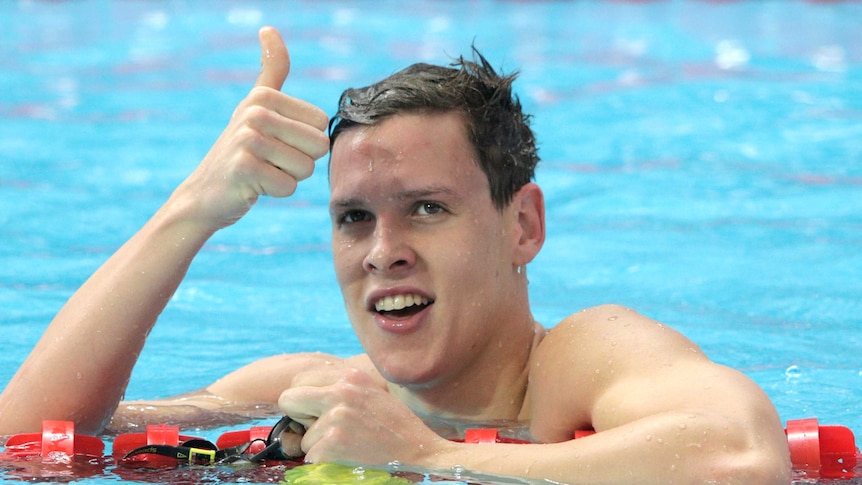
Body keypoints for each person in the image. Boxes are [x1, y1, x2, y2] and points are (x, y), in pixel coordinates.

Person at [0, 27, 790, 484]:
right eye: (352, 218)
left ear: (522, 226)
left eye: (427, 208)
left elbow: (743, 453)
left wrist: (428, 455)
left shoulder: (578, 363)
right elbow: (26, 442)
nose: (383, 253)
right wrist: (192, 210)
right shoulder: (303, 389)